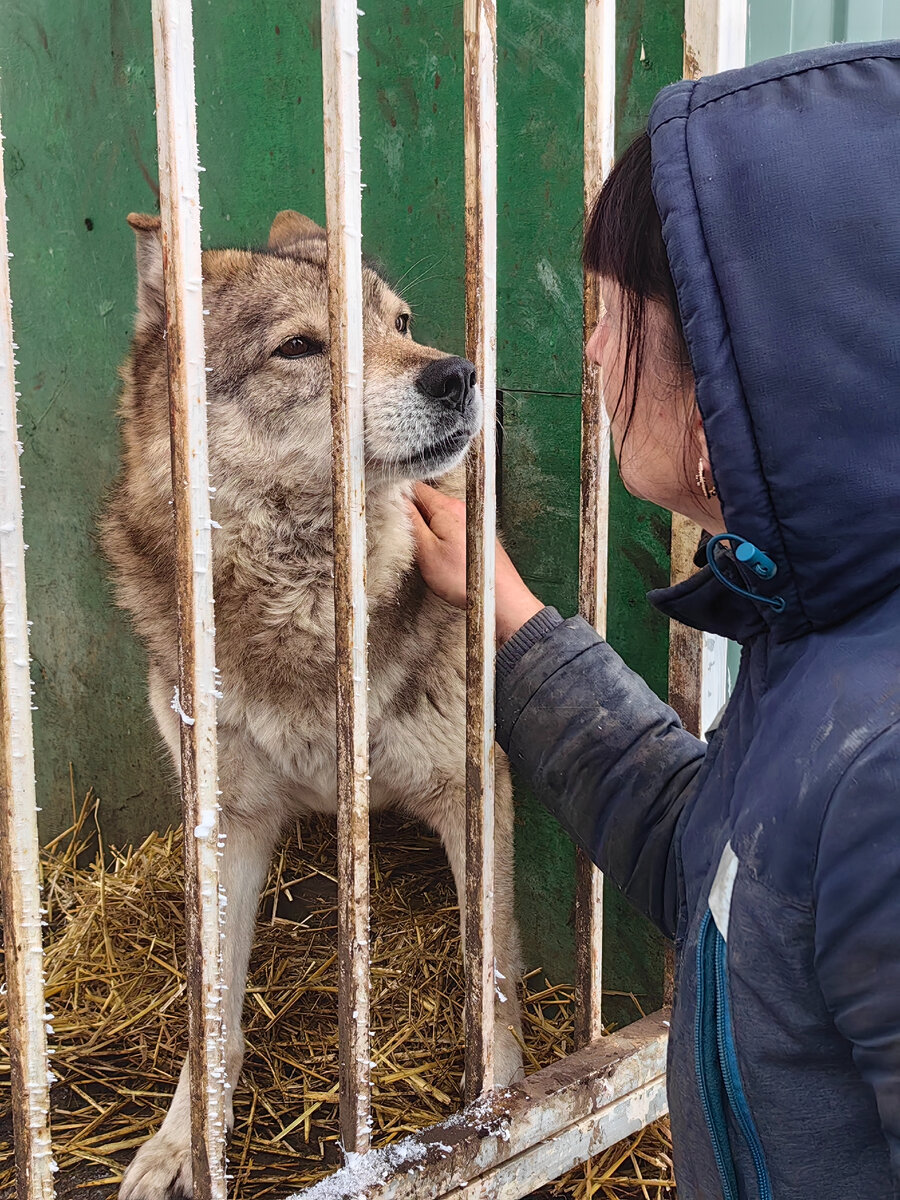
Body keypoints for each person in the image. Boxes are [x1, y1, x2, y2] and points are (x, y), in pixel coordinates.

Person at [408, 40, 900, 1200]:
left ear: (751, 365)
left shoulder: (885, 769)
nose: (587, 345)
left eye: (616, 311)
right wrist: (513, 617)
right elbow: (721, 863)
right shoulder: (826, 630)